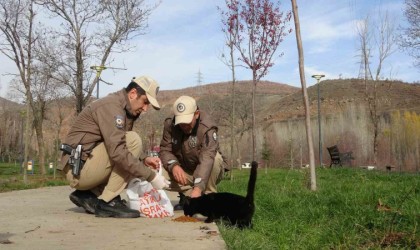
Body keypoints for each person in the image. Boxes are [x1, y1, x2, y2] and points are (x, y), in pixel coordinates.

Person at [58, 76, 170, 218]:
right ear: (133, 93)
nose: (146, 108)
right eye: (145, 101)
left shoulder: (122, 108)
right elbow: (118, 151)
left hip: (84, 167)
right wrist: (151, 177)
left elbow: (117, 142)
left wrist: (143, 158)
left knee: (131, 157)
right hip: (78, 171)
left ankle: (87, 194)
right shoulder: (112, 107)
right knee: (133, 141)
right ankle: (108, 201)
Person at [159, 95, 229, 210]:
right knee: (154, 171)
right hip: (184, 171)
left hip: (206, 171)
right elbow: (165, 150)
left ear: (196, 114)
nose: (183, 126)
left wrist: (198, 189)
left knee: (215, 159)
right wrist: (173, 165)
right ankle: (186, 196)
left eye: (187, 121)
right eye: (180, 122)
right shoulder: (170, 125)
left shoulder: (207, 128)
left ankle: (207, 197)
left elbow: (207, 158)